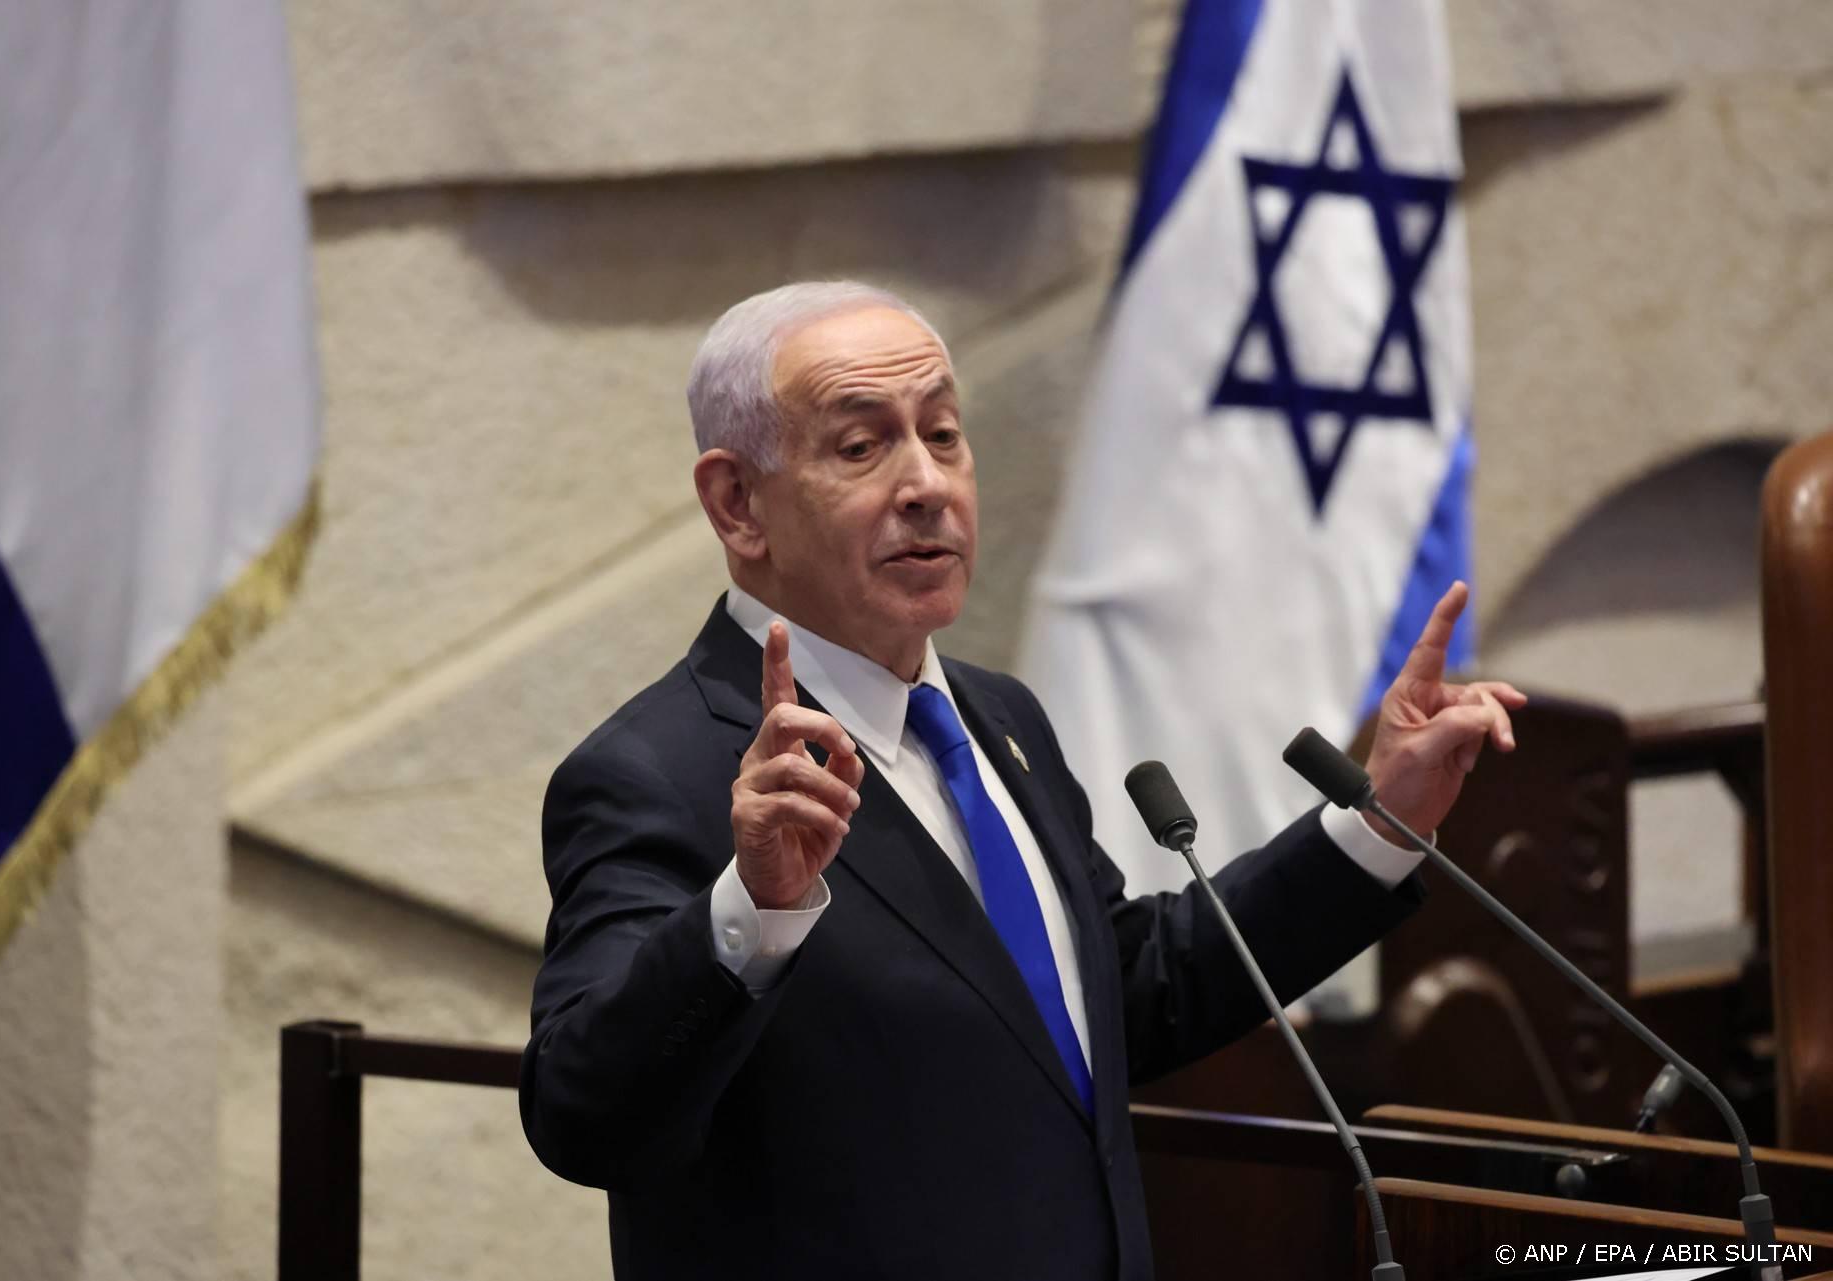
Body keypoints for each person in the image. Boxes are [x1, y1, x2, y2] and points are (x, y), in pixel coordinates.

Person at [519, 281, 1524, 1281]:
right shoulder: (657, 772)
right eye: (861, 446)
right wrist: (750, 909)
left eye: (945, 435)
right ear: (738, 503)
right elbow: (584, 1118)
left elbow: (1126, 996)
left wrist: (1379, 819)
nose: (927, 485)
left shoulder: (999, 720)